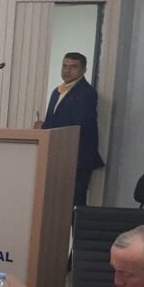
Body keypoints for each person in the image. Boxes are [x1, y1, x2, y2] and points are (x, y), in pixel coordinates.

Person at [39, 52, 104, 206]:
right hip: (57, 155)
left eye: (73, 67)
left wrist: (45, 127)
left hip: (77, 156)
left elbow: (76, 124)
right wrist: (43, 126)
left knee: (74, 201)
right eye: (64, 66)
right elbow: (54, 120)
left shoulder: (86, 93)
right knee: (55, 202)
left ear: (83, 70)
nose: (67, 71)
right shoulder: (57, 91)